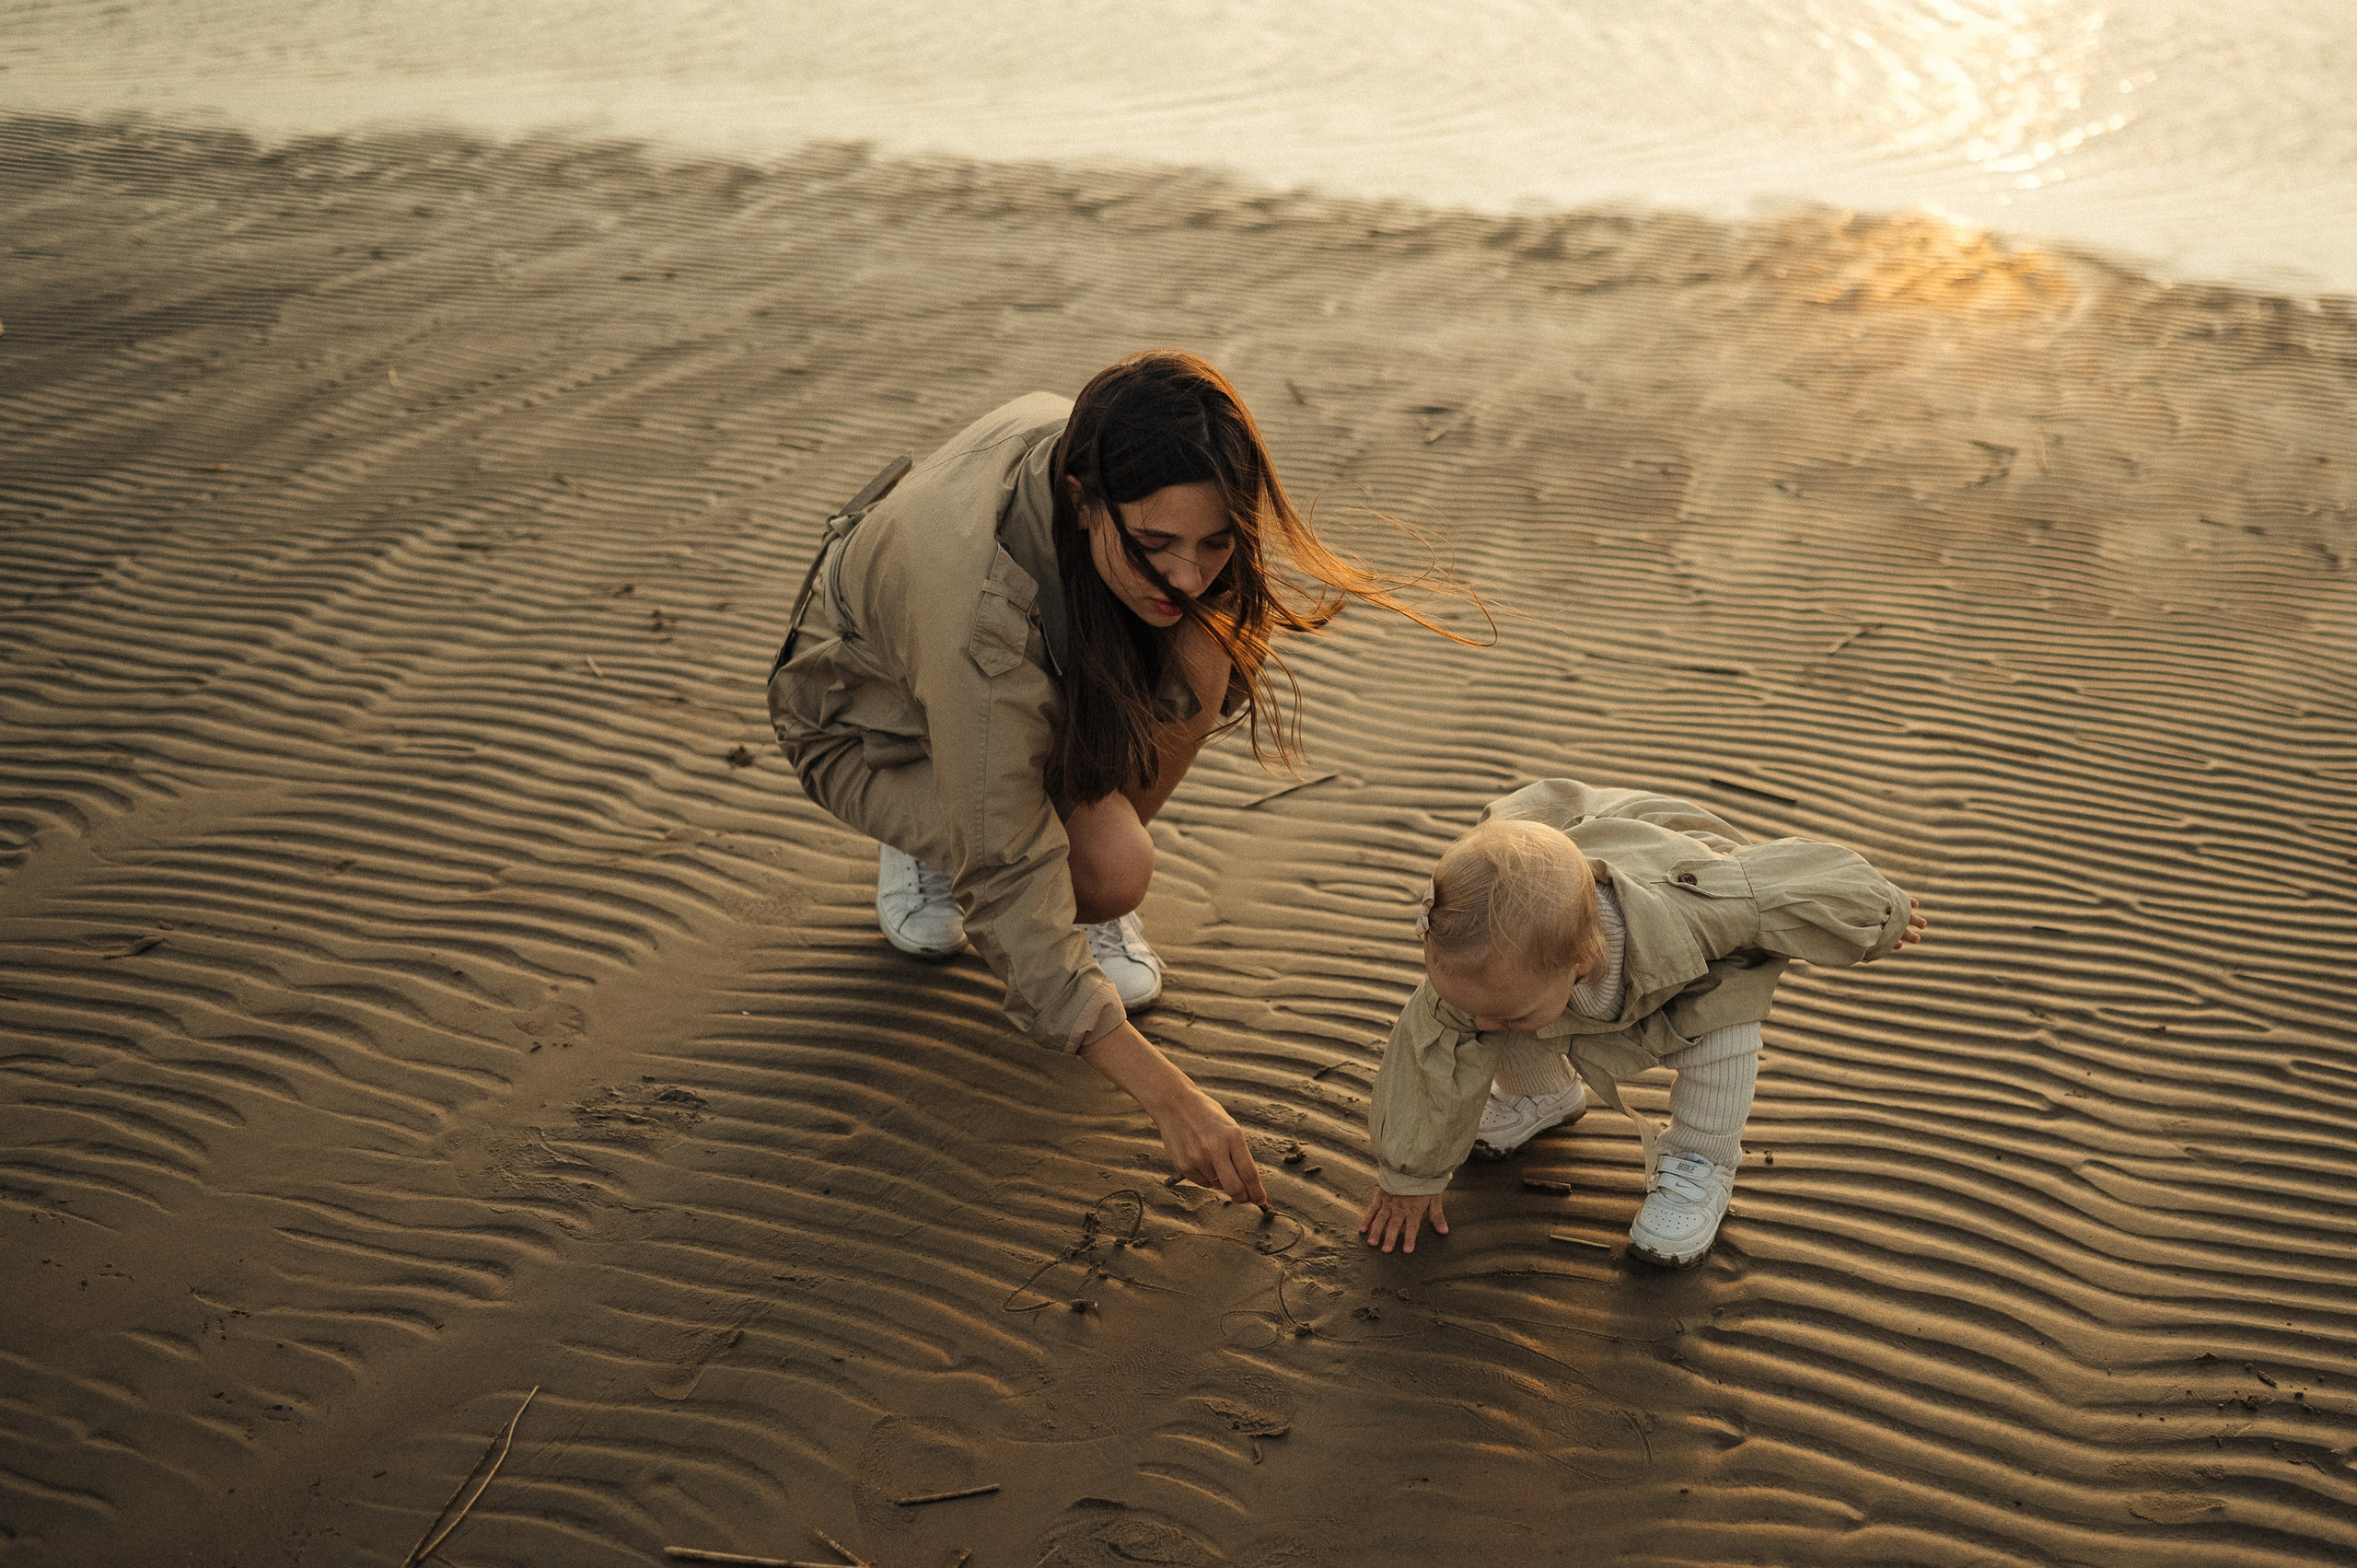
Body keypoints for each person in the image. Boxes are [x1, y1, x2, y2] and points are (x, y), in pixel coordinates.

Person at [769, 349, 1467, 1205]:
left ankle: (1006, 819)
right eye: (1156, 546)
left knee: (1203, 648)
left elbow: (1170, 582)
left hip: (997, 672)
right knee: (1098, 871)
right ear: (1080, 499)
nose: (1187, 572)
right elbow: (1009, 878)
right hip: (871, 723)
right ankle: (931, 829)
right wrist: (1173, 1097)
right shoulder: (980, 627)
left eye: (1216, 542)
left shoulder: (1126, 447)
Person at [1358, 780, 1928, 1264]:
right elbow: (1428, 1056)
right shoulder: (1491, 969)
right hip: (1565, 974)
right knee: (1489, 1020)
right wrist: (1410, 1176)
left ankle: (1702, 1159)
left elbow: (1783, 883)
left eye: (1502, 1007)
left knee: (1722, 1028)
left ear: (1580, 965)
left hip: (1691, 971)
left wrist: (1877, 912)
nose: (1478, 1017)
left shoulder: (1704, 906)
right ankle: (1543, 1096)